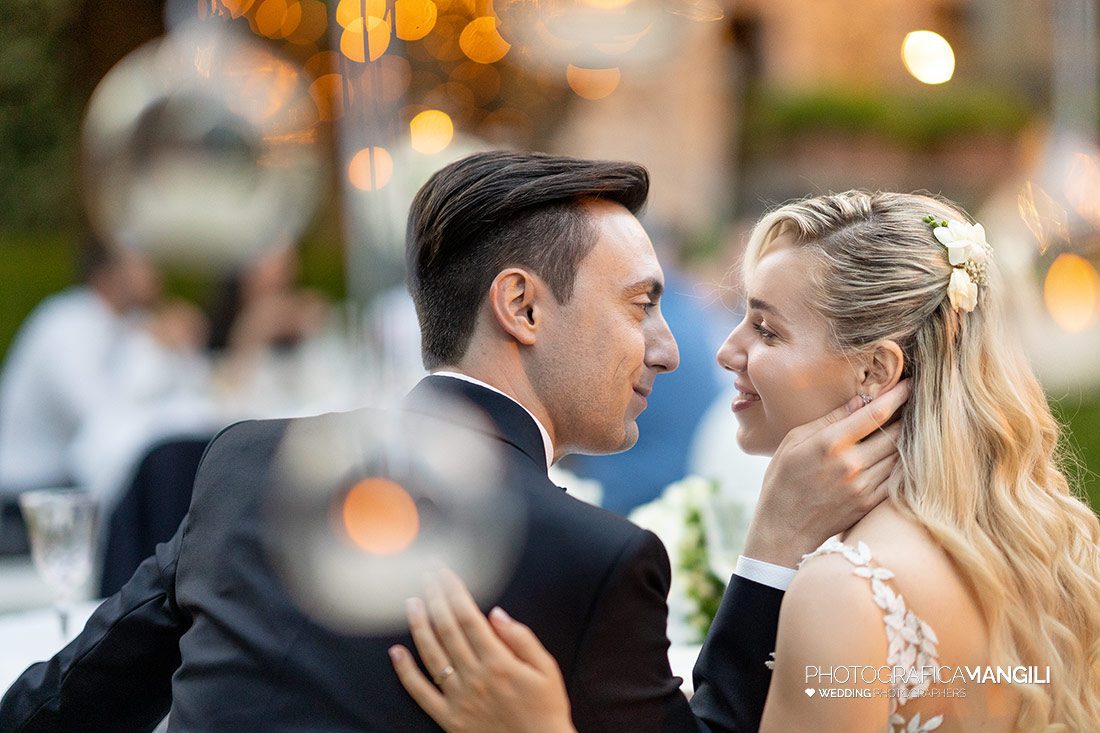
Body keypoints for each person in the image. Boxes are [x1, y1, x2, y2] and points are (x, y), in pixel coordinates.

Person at [0, 156, 904, 731]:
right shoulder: (590, 556)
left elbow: (58, 704)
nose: (669, 347)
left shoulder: (243, 461)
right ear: (520, 307)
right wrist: (773, 555)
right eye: (641, 305)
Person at [389, 191, 1100, 731]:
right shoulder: (1058, 555)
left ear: (874, 372)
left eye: (765, 327)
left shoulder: (846, 591)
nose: (725, 352)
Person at [0, 236, 207, 551]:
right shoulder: (64, 325)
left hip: (76, 488)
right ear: (106, 275)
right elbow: (101, 419)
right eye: (142, 262)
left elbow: (187, 395)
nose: (155, 272)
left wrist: (178, 349)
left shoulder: (130, 324)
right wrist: (154, 347)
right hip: (28, 501)